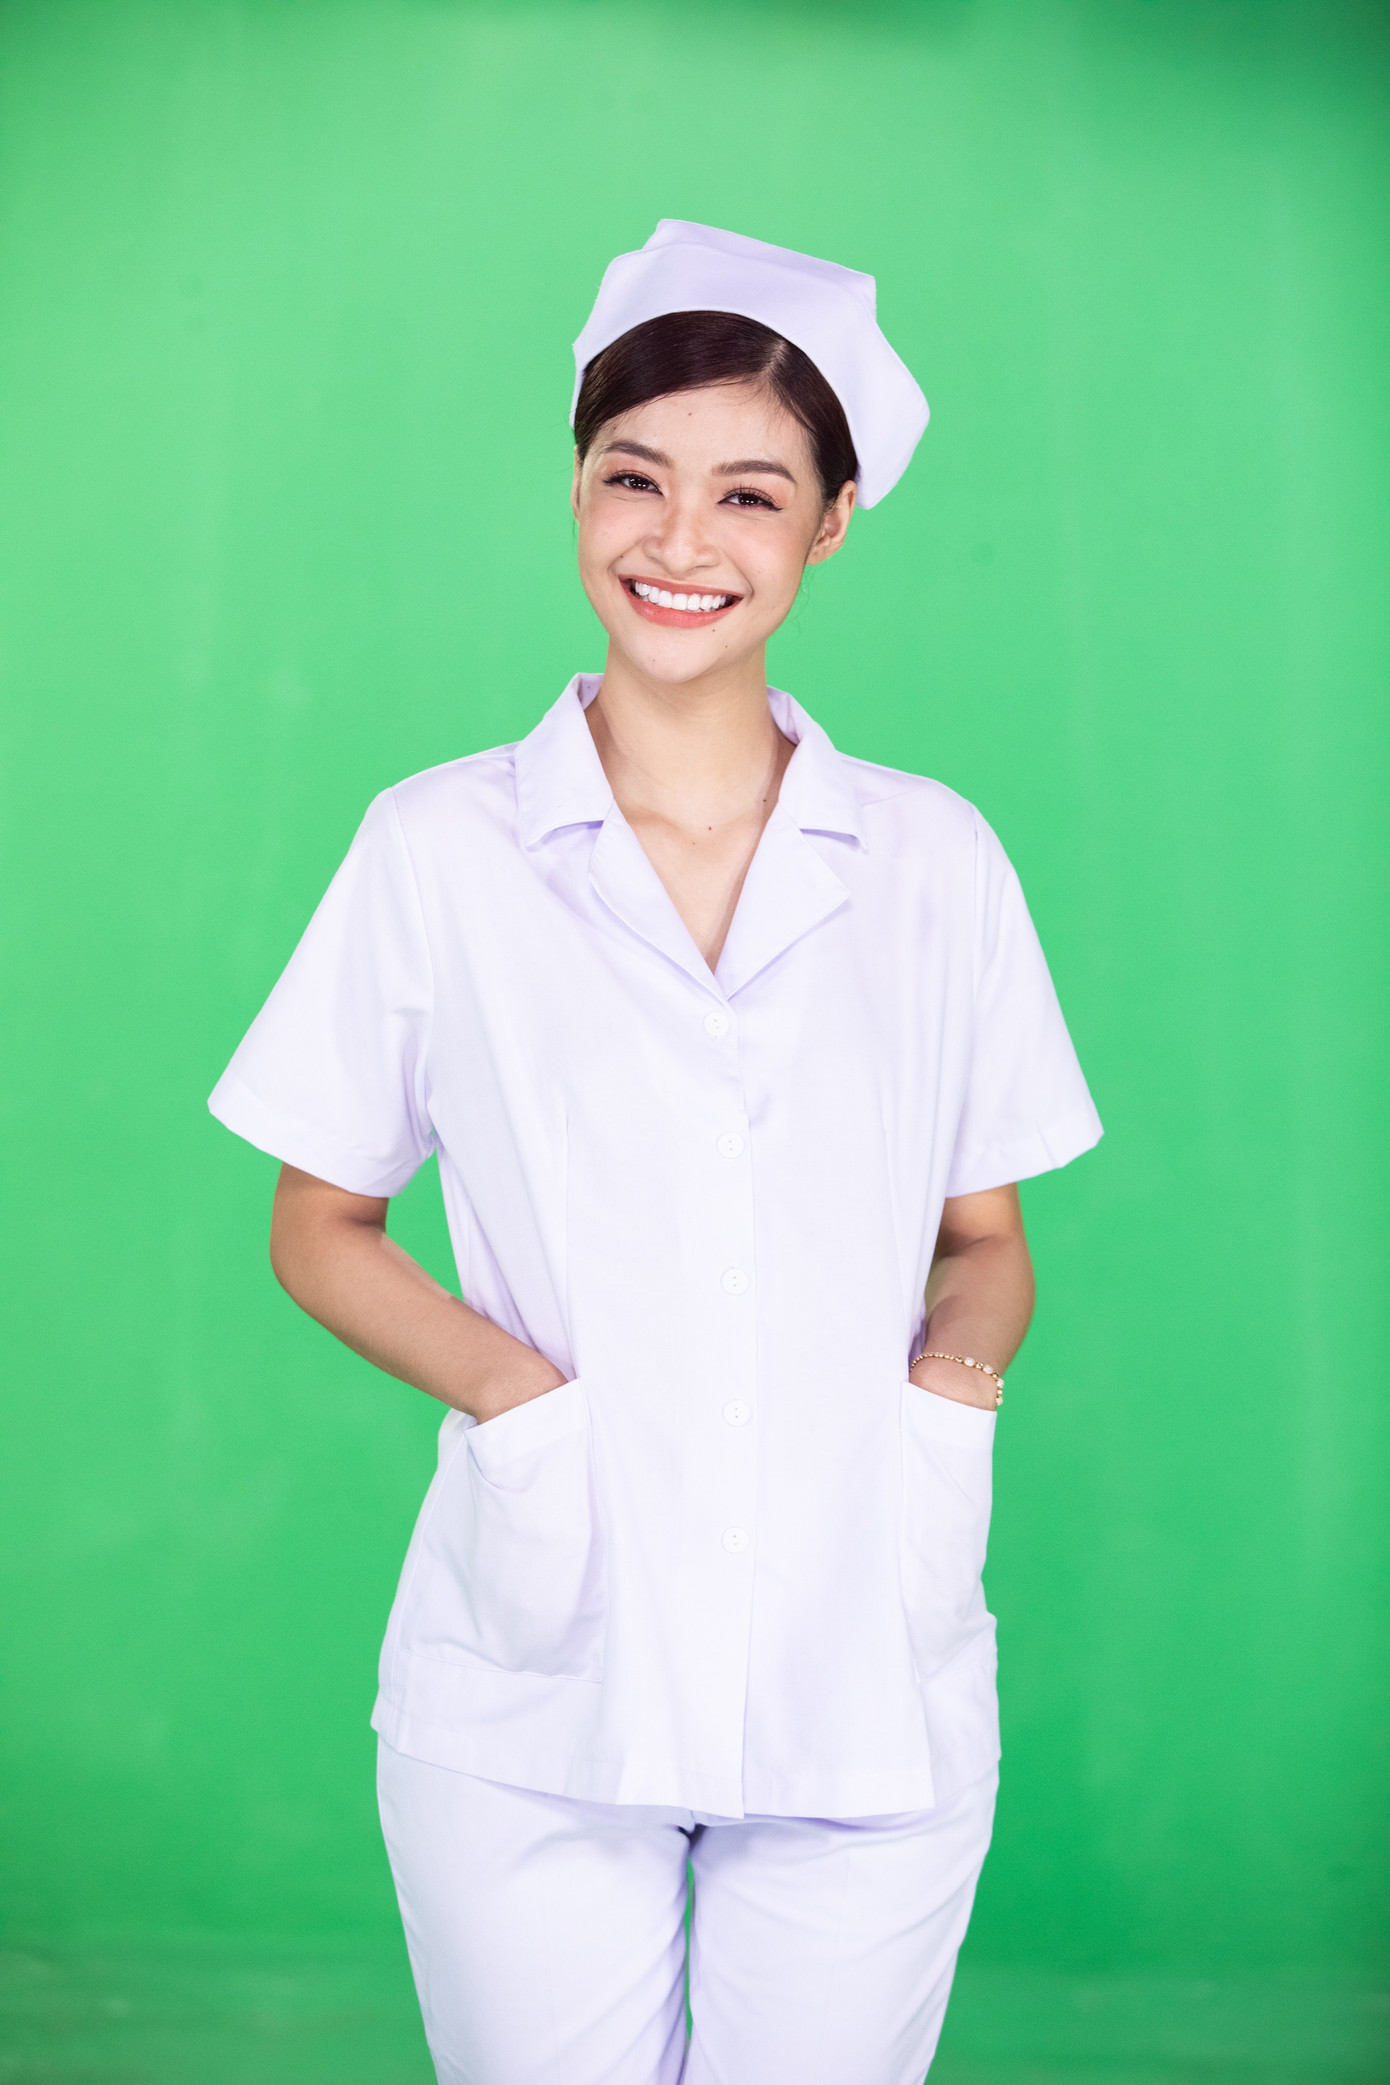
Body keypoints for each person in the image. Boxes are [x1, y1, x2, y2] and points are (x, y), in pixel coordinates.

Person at [210, 220, 1101, 2085]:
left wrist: (949, 1390)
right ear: (577, 485)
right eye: (635, 477)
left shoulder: (933, 861)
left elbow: (986, 1235)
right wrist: (517, 1399)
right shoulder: (438, 847)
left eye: (749, 494)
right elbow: (319, 1219)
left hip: (866, 1659)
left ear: (830, 524)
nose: (680, 539)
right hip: (540, 1657)